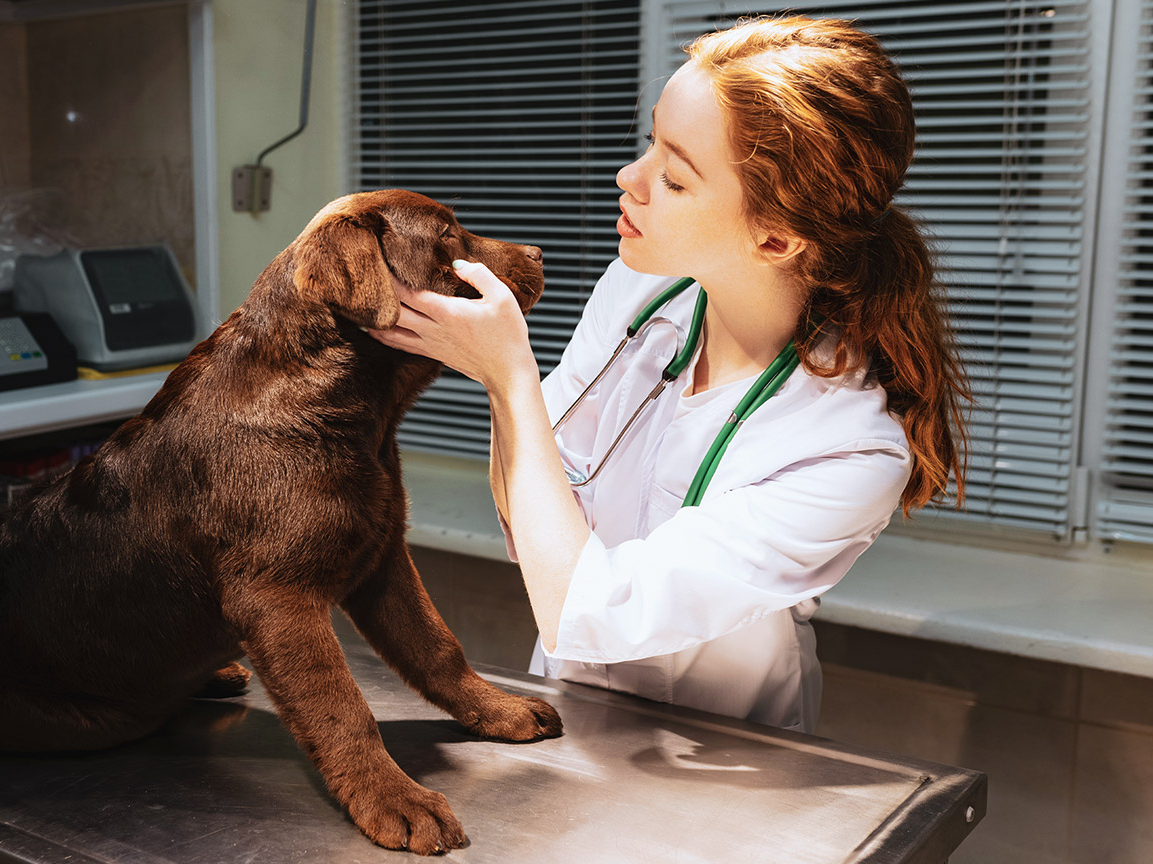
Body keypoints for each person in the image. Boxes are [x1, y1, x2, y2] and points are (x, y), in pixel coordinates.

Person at [369, 15, 969, 732]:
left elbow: (585, 611)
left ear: (775, 237)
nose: (630, 178)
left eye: (675, 177)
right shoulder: (638, 294)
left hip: (732, 756)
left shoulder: (848, 445)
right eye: (650, 140)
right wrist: (506, 383)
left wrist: (507, 376)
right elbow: (524, 508)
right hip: (571, 711)